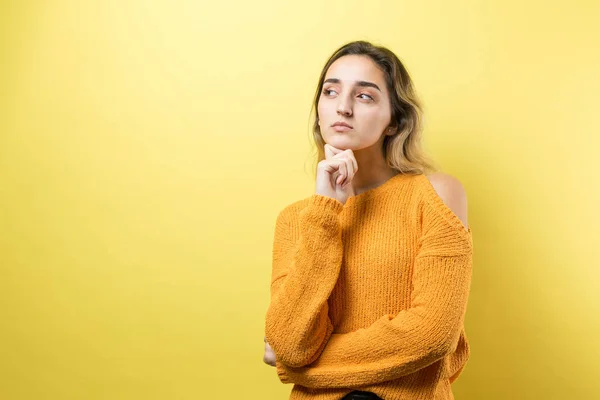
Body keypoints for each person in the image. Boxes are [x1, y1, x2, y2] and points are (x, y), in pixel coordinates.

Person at [263, 40, 473, 400]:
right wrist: (326, 211)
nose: (342, 107)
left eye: (364, 96)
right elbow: (290, 340)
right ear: (318, 110)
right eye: (331, 91)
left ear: (395, 121)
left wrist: (298, 368)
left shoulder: (436, 194)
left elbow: (433, 334)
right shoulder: (298, 219)